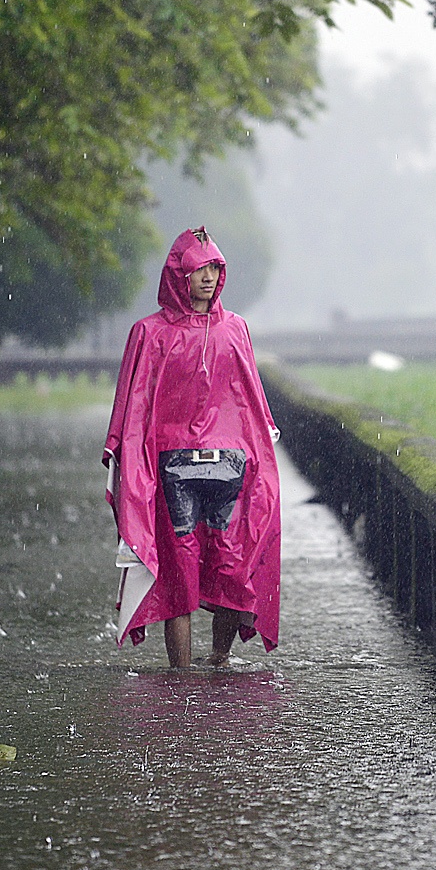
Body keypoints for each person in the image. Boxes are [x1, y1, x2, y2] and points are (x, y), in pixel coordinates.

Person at [103, 227, 282, 667]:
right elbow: (135, 404)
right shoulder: (149, 333)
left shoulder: (236, 329)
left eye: (214, 267)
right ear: (179, 274)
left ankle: (218, 660)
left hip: (230, 467)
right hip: (173, 468)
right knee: (178, 574)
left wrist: (259, 453)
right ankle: (181, 675)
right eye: (199, 267)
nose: (208, 276)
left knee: (230, 567)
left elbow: (251, 399)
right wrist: (128, 461)